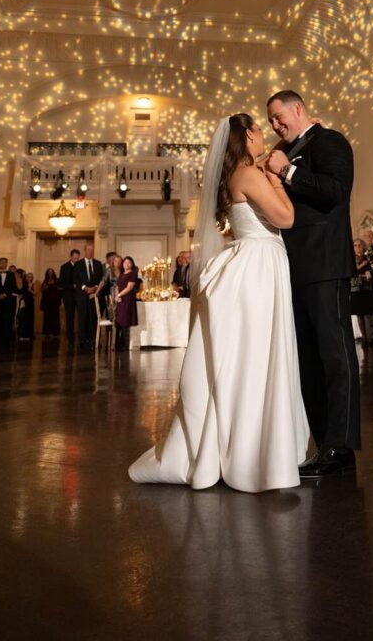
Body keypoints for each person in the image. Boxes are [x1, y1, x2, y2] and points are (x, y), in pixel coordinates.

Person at [129, 113, 309, 492]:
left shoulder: (243, 173)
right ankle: (251, 453)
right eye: (259, 130)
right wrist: (277, 178)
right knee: (257, 358)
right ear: (246, 136)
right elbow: (286, 218)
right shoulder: (249, 174)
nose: (264, 135)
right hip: (259, 264)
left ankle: (255, 446)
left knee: (257, 356)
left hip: (260, 262)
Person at [266, 90, 360, 478]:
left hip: (325, 262)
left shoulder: (330, 140)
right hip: (293, 267)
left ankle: (342, 445)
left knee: (336, 357)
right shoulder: (283, 149)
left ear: (298, 109)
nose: (274, 124)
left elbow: (337, 191)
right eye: (270, 120)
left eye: (277, 116)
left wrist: (287, 171)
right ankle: (323, 444)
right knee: (308, 360)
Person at [73, 244, 103, 351]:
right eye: (88, 250)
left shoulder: (98, 264)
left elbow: (100, 279)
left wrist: (94, 288)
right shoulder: (78, 264)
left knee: (93, 318)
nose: (90, 252)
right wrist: (85, 288)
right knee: (82, 318)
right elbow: (76, 279)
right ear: (85, 251)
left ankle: (93, 339)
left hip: (94, 296)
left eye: (92, 250)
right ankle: (82, 340)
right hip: (82, 295)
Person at [350, 238, 373, 347]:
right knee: (359, 314)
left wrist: (362, 275)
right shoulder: (351, 260)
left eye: (360, 245)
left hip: (366, 289)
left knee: (368, 314)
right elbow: (352, 273)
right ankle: (364, 337)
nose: (358, 248)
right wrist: (361, 271)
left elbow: (369, 276)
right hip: (355, 290)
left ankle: (371, 337)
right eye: (355, 245)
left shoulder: (368, 259)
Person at [114, 256, 139, 351]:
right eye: (125, 263)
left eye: (129, 263)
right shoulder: (121, 274)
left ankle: (125, 346)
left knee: (126, 322)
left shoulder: (133, 274)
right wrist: (117, 296)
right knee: (119, 322)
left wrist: (119, 294)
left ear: (132, 264)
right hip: (120, 300)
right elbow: (117, 286)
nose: (127, 264)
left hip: (127, 299)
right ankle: (118, 345)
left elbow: (129, 287)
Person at [59, 248, 80, 346]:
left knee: (81, 317)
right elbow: (61, 283)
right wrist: (72, 286)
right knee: (69, 317)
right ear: (71, 257)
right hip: (68, 296)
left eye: (77, 258)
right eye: (74, 257)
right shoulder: (64, 267)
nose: (76, 259)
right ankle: (70, 338)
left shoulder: (81, 266)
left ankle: (81, 337)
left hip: (80, 296)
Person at [0, 257, 16, 345]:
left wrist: (6, 294)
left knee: (7, 319)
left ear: (6, 264)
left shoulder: (11, 274)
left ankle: (7, 339)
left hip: (8, 300)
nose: (3, 264)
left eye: (5, 262)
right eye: (1, 262)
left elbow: (13, 286)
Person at [40, 268, 62, 336]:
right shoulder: (45, 281)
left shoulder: (57, 280)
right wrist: (44, 288)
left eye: (51, 272)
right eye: (49, 272)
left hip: (55, 301)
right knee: (47, 317)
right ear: (47, 273)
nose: (50, 273)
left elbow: (60, 289)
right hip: (47, 301)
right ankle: (47, 332)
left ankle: (55, 332)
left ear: (53, 273)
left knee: (55, 316)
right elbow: (42, 290)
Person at [18, 271, 36, 341]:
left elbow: (35, 293)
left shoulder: (33, 284)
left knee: (29, 319)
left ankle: (29, 335)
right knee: (22, 318)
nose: (29, 278)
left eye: (31, 277)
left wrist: (30, 290)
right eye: (28, 276)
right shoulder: (23, 284)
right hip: (23, 302)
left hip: (30, 303)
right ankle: (22, 334)